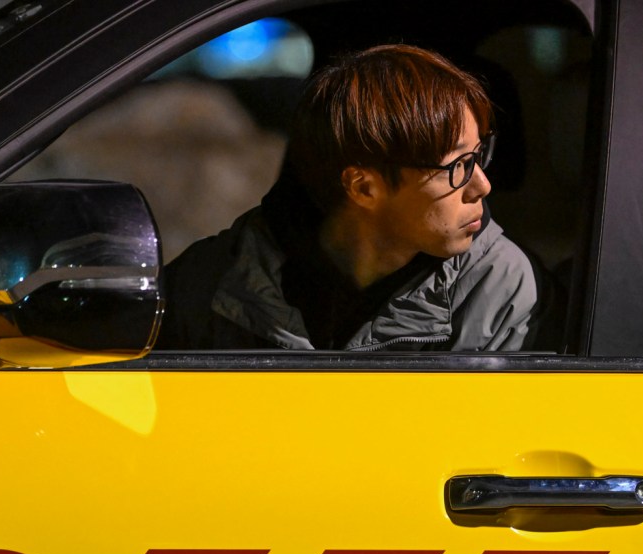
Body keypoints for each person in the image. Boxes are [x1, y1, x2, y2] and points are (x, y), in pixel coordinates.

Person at [157, 44, 538, 351]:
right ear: (363, 188)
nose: (482, 185)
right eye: (459, 165)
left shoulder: (498, 288)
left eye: (479, 154)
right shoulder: (209, 285)